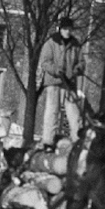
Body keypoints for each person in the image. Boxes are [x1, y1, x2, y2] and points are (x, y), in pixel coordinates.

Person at [37, 17, 84, 149]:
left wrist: (78, 68)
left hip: (69, 84)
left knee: (74, 113)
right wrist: (55, 70)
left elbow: (81, 62)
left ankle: (77, 140)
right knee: (52, 111)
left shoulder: (75, 45)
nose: (67, 32)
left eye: (69, 29)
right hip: (54, 82)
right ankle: (48, 141)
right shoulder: (51, 43)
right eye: (65, 29)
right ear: (60, 29)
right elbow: (45, 62)